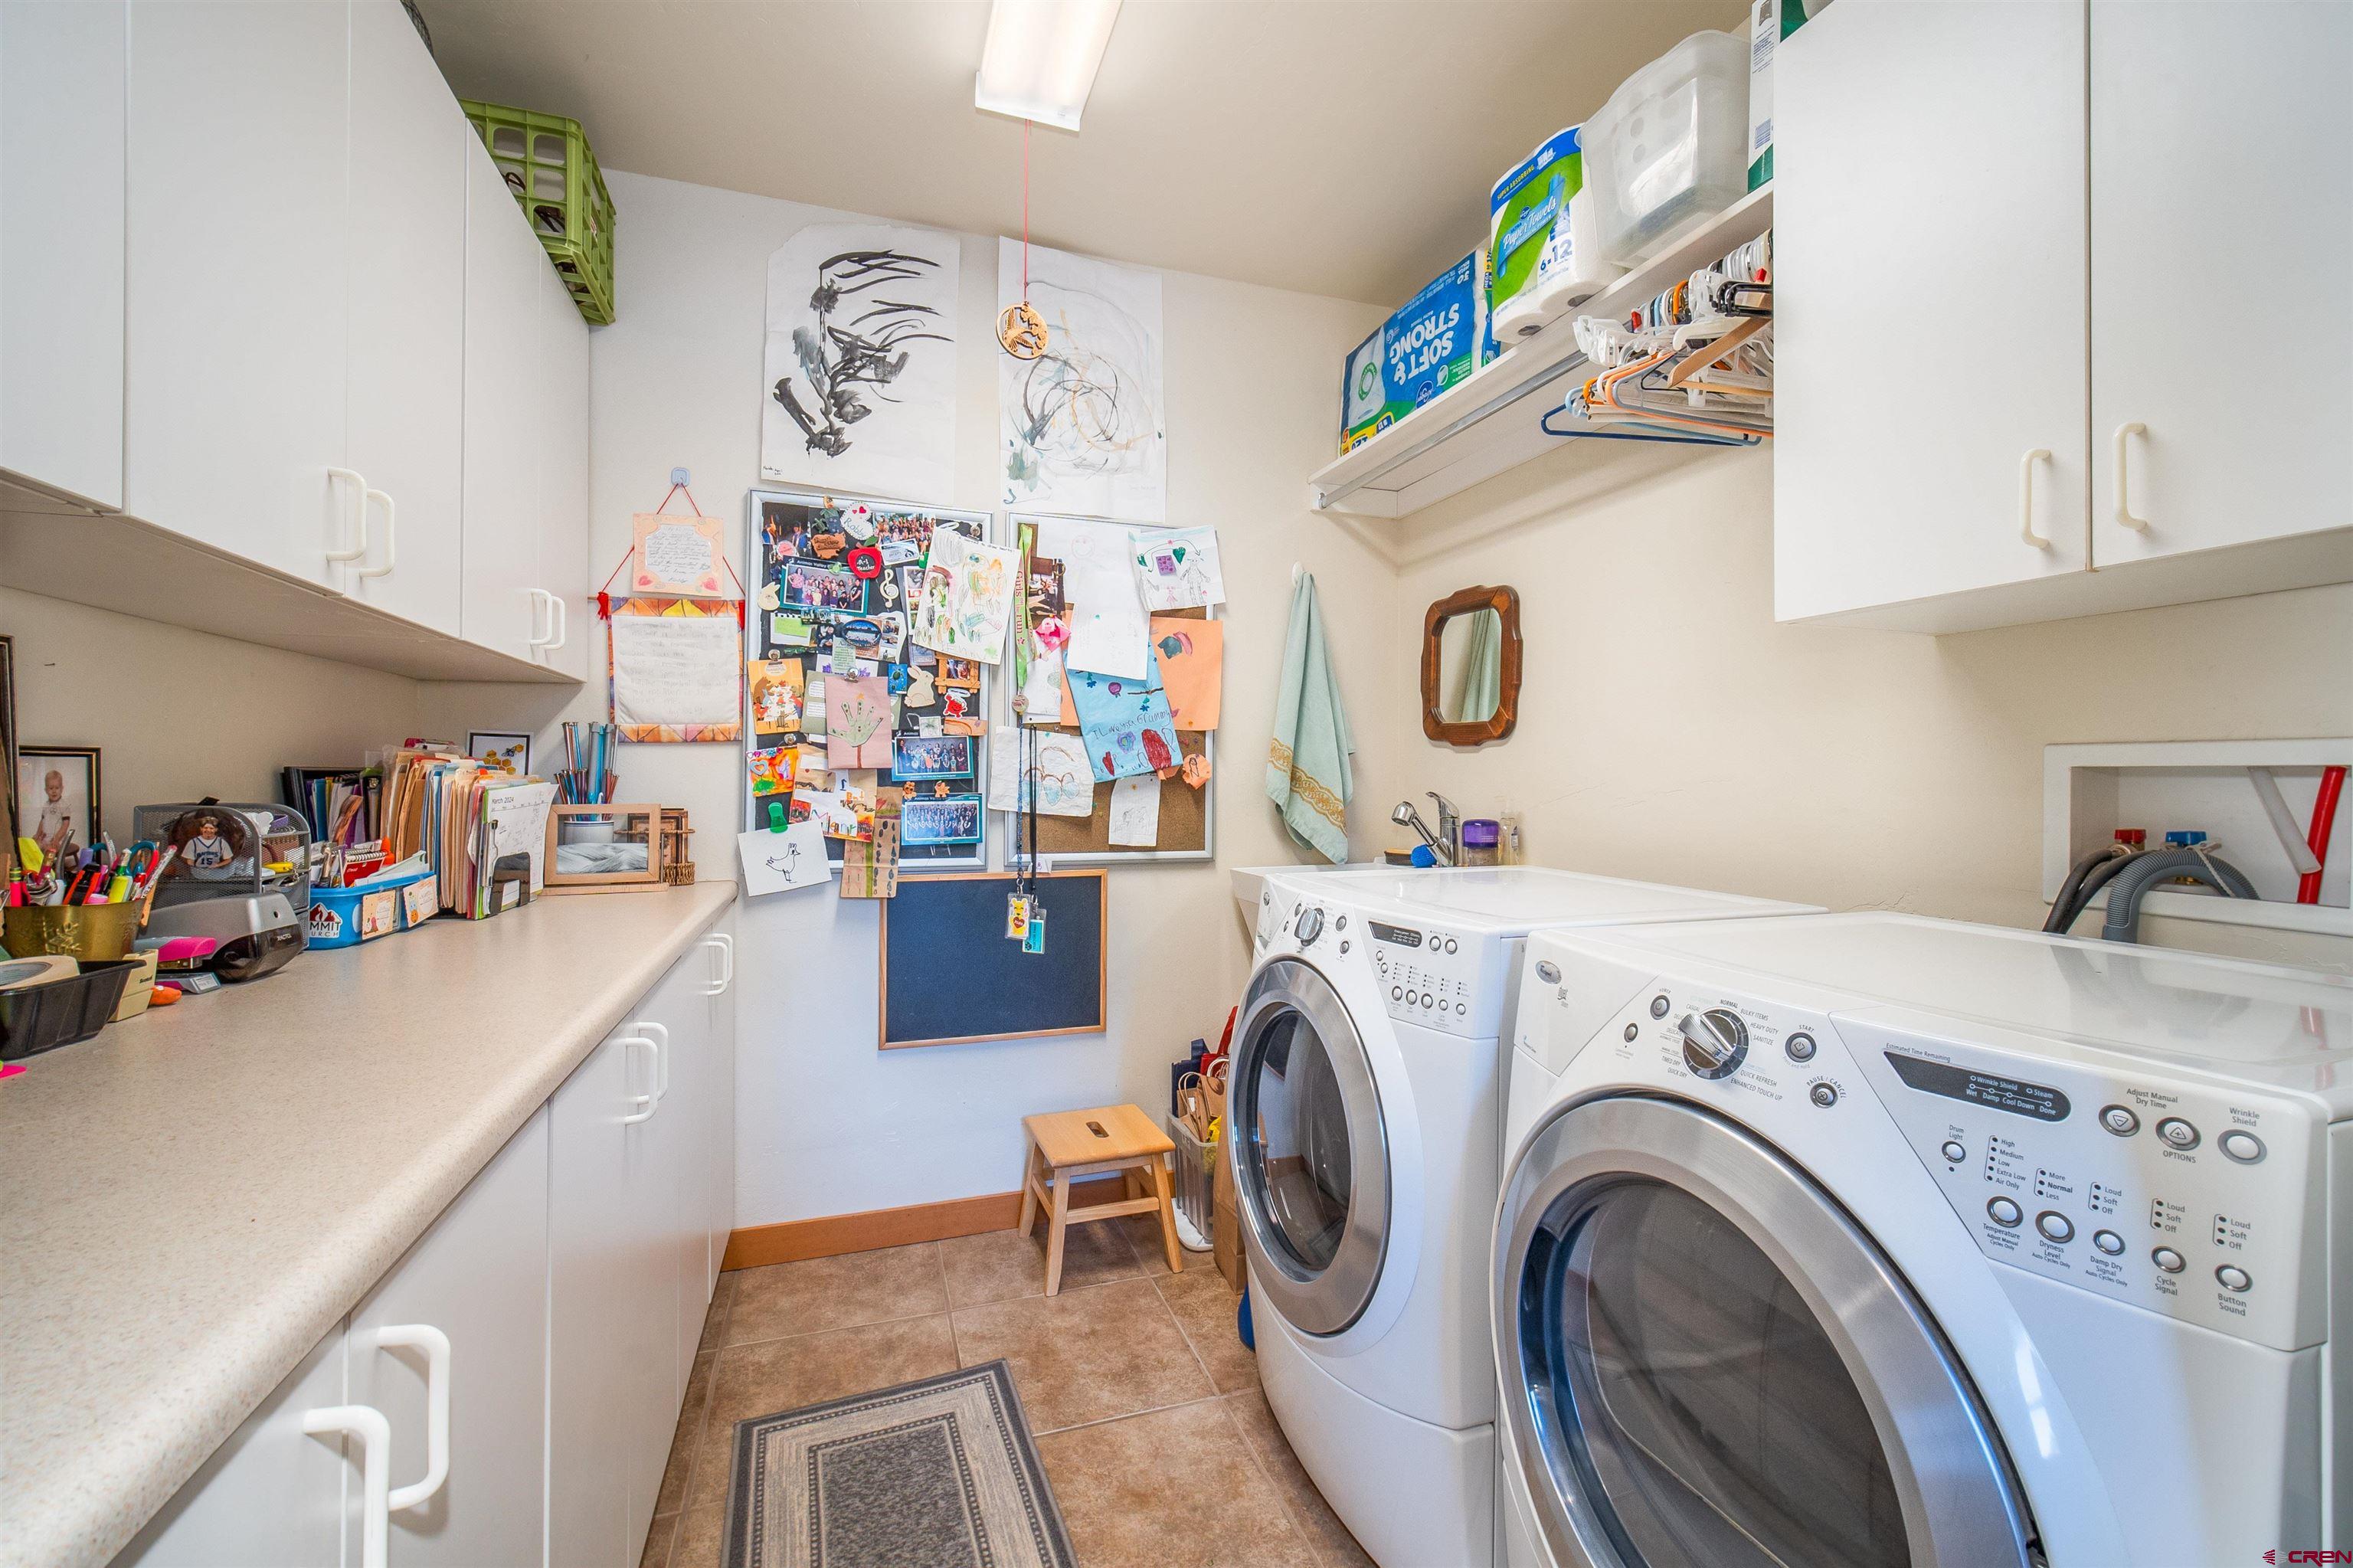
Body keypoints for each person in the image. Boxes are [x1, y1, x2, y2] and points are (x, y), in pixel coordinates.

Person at [31, 768, 77, 861]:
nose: (54, 791)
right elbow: (42, 821)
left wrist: (56, 839)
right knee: (33, 846)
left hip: (58, 840)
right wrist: (37, 834)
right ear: (46, 790)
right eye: (51, 788)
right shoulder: (46, 805)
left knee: (49, 851)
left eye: (57, 788)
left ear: (62, 789)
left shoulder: (64, 805)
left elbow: (65, 825)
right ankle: (37, 869)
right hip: (46, 838)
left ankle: (49, 870)